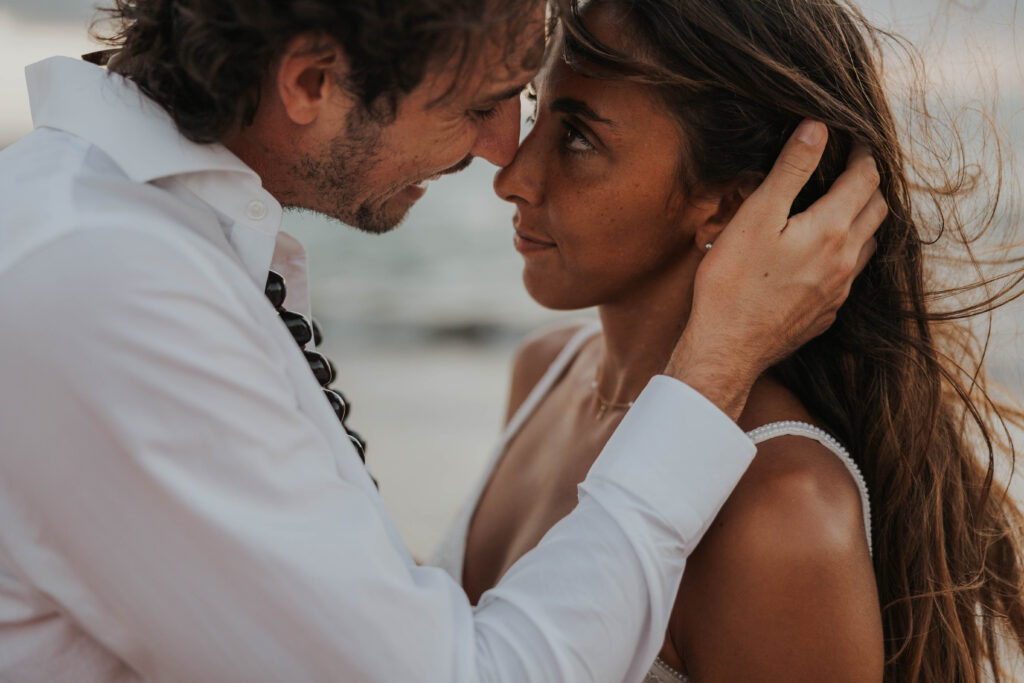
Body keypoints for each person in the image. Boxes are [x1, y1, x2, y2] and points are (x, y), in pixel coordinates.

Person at [0, 0, 883, 680]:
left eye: (559, 125)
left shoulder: (784, 511)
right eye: (488, 101)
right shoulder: (112, 283)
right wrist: (712, 370)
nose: (505, 154)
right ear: (311, 82)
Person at [434, 0, 1024, 681]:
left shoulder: (782, 510)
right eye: (538, 113)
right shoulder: (546, 372)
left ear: (733, 202)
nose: (511, 178)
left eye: (577, 140)